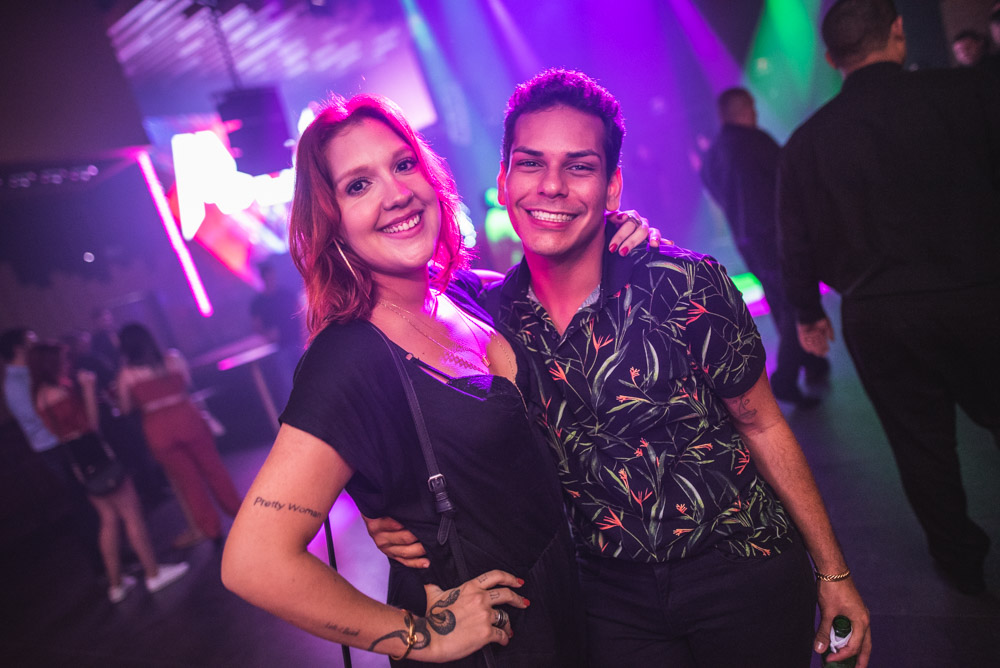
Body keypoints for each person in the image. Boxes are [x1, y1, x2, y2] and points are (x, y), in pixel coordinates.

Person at [370, 69, 871, 668]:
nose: (551, 185)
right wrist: (381, 507)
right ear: (503, 181)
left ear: (611, 188)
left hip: (741, 569)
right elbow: (385, 313)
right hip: (605, 598)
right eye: (530, 163)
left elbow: (762, 424)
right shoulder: (490, 316)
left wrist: (834, 572)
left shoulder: (685, 284)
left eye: (579, 167)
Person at [220, 92, 657, 665]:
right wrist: (423, 637)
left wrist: (614, 229)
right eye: (358, 185)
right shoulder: (349, 357)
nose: (397, 194)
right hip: (491, 642)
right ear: (330, 221)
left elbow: (562, 279)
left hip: (568, 605)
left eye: (403, 165)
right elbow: (254, 561)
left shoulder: (463, 292)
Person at [777, 0, 1000, 596]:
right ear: (899, 32)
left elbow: (793, 240)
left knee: (920, 446)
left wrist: (807, 312)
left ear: (831, 59)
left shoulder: (806, 143)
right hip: (982, 294)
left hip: (879, 314)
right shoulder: (972, 93)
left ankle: (960, 563)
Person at [28, 341, 189, 603]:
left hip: (76, 459)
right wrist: (88, 389)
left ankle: (116, 585)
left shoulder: (39, 396)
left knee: (108, 519)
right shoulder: (59, 393)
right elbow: (90, 424)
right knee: (131, 513)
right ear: (50, 363)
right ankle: (153, 573)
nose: (67, 364)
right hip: (94, 453)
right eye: (62, 359)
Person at [699, 86, 828, 409]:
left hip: (748, 241)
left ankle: (812, 362)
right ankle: (786, 377)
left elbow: (717, 194)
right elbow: (790, 185)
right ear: (743, 109)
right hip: (775, 236)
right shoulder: (757, 142)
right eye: (752, 107)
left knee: (780, 301)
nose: (756, 112)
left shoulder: (712, 156)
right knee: (794, 303)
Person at [117, 323, 243, 547]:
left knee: (188, 483)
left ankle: (213, 531)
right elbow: (187, 382)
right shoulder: (172, 359)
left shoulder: (127, 374)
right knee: (215, 470)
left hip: (158, 427)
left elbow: (125, 408)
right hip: (187, 417)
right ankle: (240, 515)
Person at [249, 258, 305, 408]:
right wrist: (268, 334)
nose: (271, 279)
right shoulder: (259, 302)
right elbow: (256, 326)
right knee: (288, 385)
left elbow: (301, 315)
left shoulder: (286, 294)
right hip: (279, 348)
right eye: (268, 277)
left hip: (297, 343)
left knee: (307, 378)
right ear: (263, 278)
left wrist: (305, 335)